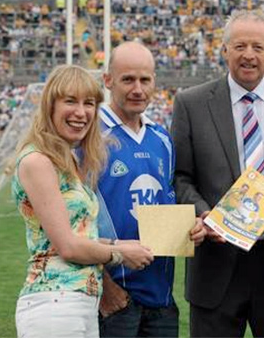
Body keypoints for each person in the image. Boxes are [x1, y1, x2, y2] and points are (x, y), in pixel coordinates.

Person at [171, 9, 264, 337]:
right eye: (239, 46)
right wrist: (205, 213)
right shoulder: (191, 103)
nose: (249, 55)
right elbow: (180, 176)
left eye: (257, 46)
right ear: (224, 50)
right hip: (215, 261)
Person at [10, 64, 153, 337]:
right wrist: (121, 253)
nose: (81, 112)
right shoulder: (37, 161)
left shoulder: (67, 162)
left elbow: (78, 235)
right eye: (70, 101)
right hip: (53, 302)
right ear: (50, 105)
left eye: (89, 103)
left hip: (78, 303)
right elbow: (68, 247)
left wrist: (118, 243)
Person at [97, 41, 206, 337]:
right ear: (108, 81)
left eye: (145, 80)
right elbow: (76, 222)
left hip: (161, 298)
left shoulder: (161, 138)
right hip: (115, 297)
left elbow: (165, 204)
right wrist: (107, 289)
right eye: (127, 79)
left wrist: (191, 227)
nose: (138, 89)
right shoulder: (90, 136)